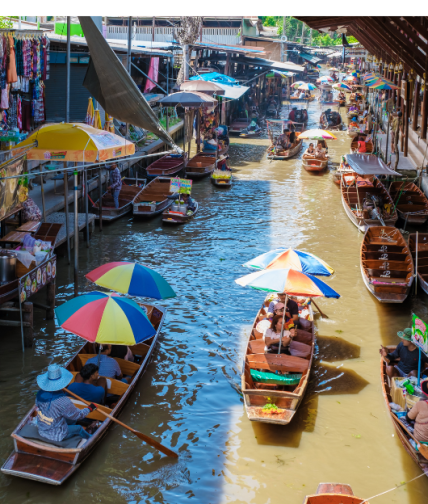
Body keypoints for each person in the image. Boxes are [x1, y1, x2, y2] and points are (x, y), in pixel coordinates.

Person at [35, 364, 97, 442]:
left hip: (42, 428)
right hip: (56, 435)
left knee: (72, 420)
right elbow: (79, 415)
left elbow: (37, 405)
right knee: (78, 428)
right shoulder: (63, 401)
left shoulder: (40, 393)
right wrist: (90, 408)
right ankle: (91, 438)